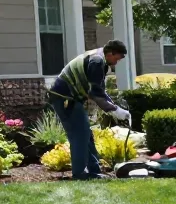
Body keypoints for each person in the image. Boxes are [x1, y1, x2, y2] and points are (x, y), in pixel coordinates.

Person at [48, 40, 133, 180]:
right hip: (65, 98)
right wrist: (114, 110)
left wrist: (115, 108)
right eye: (116, 58)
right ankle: (80, 174)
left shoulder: (100, 60)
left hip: (71, 99)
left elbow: (100, 91)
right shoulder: (97, 62)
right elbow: (95, 93)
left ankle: (94, 172)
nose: (116, 63)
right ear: (110, 53)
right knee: (80, 135)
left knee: (86, 135)